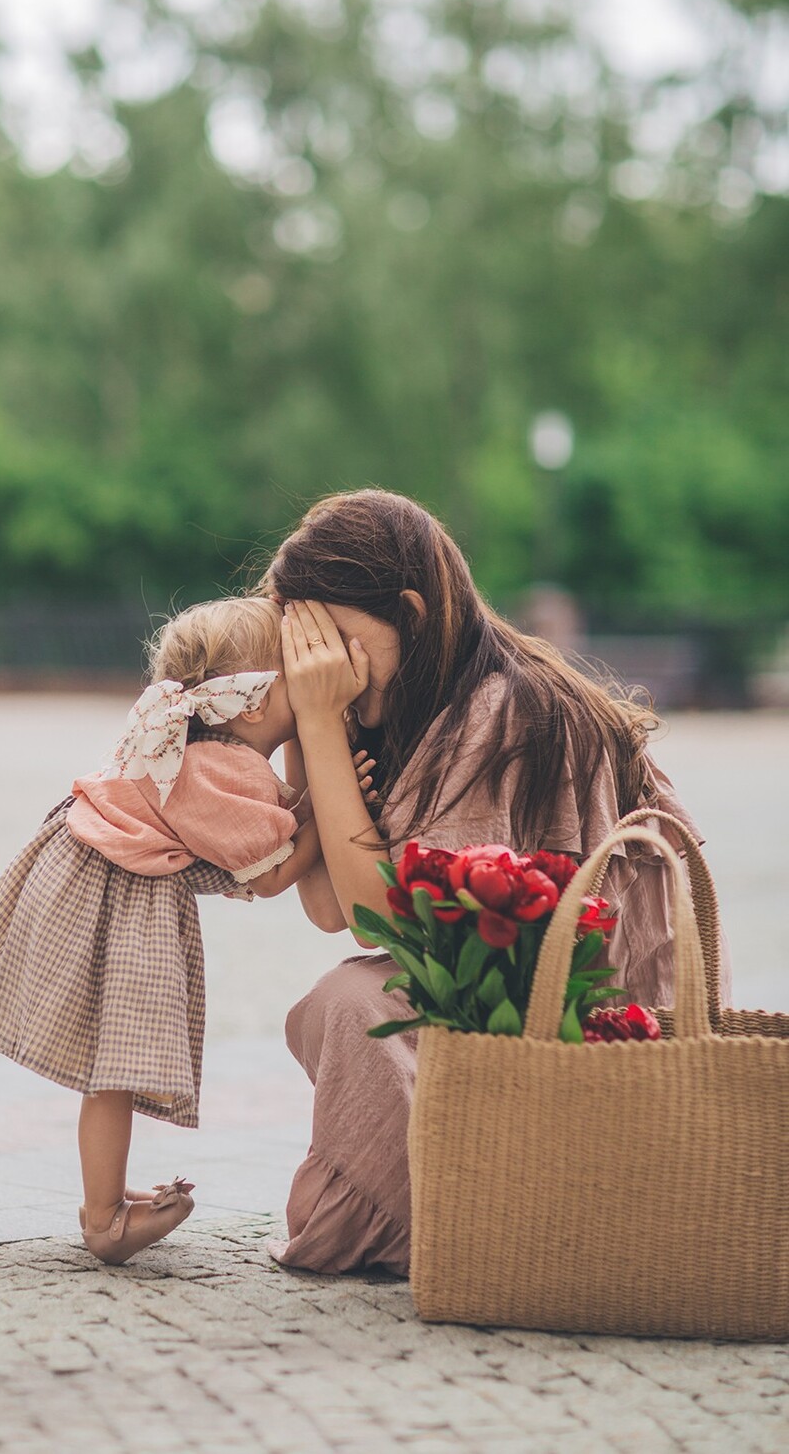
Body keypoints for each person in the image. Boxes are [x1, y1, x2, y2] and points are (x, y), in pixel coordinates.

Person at [261, 489, 731, 1276]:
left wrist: (316, 721)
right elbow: (328, 907)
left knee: (349, 1006)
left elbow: (381, 923)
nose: (327, 669)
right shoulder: (407, 701)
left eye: (338, 640)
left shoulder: (501, 711)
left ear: (408, 612)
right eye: (306, 650)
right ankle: (473, 1202)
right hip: (506, 1003)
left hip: (590, 1028)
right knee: (334, 1017)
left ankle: (500, 1217)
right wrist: (316, 738)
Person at [0, 597, 323, 1266]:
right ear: (256, 705)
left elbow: (255, 824)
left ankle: (108, 1197)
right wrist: (331, 802)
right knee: (113, 1066)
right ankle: (104, 1219)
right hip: (112, 890)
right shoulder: (220, 768)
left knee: (109, 1068)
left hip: (92, 870)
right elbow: (271, 873)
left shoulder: (195, 747)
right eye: (298, 674)